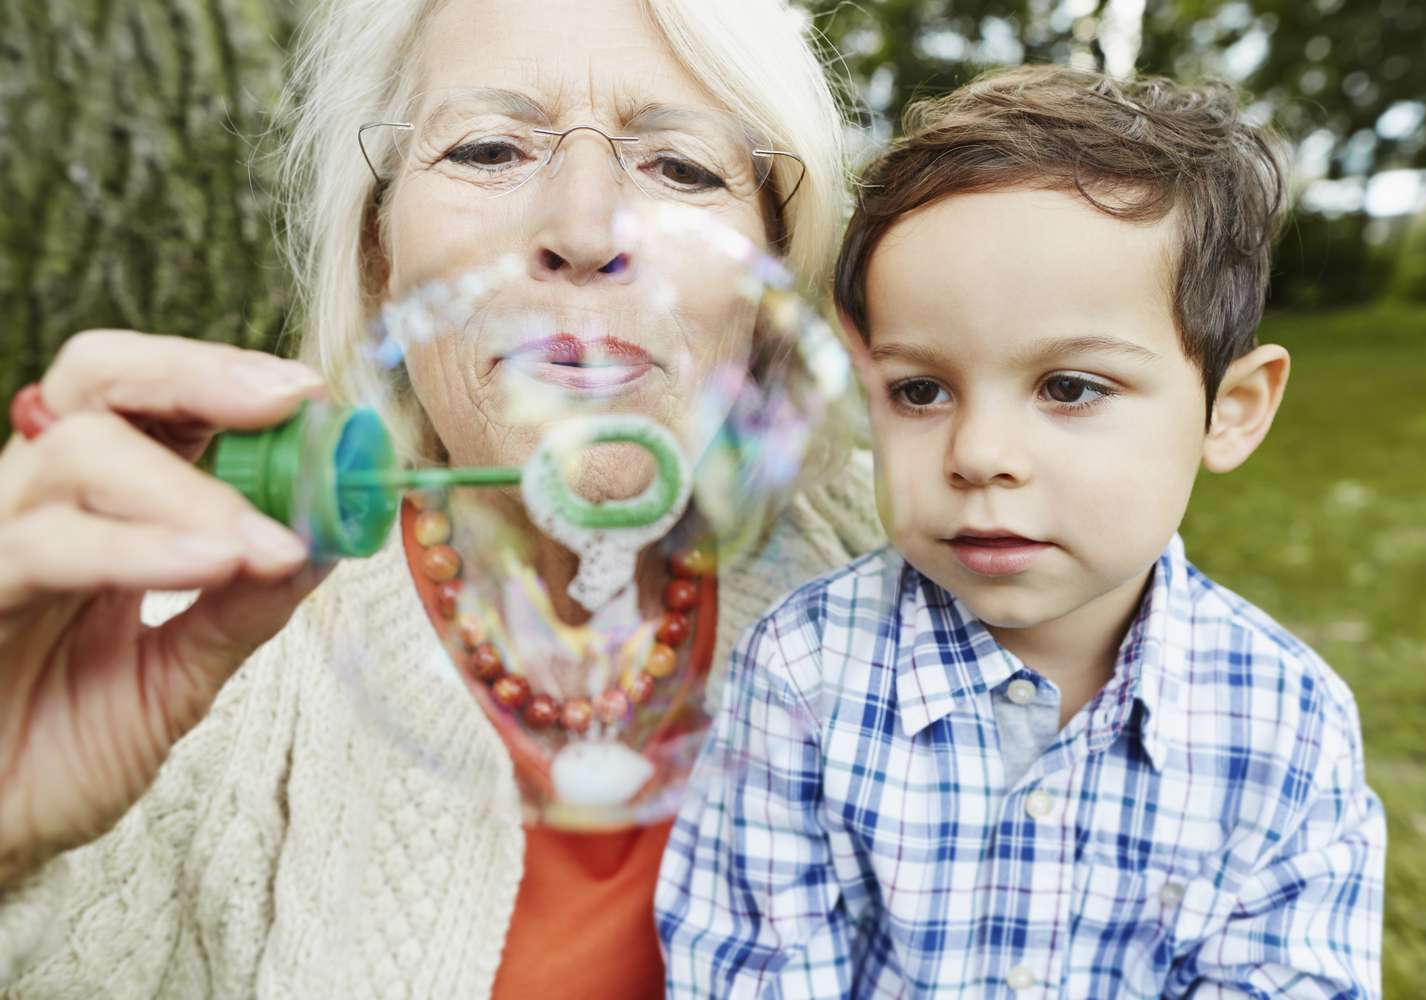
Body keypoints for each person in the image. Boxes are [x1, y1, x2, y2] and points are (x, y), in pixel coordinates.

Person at [0, 0, 885, 996]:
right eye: (489, 149)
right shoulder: (174, 652)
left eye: (682, 165)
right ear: (380, 258)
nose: (585, 230)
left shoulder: (929, 571)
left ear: (773, 274)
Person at [656, 65, 1386, 997]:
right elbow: (750, 970)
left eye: (1069, 387)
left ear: (1230, 410)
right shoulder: (804, 675)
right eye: (920, 390)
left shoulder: (1285, 725)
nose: (980, 454)